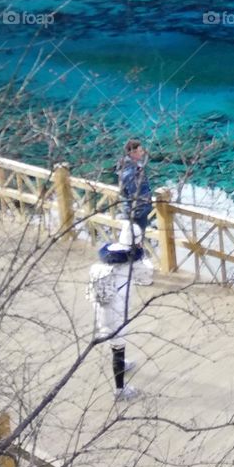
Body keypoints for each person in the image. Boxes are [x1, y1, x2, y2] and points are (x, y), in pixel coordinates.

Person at [86, 221, 153, 401]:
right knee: (118, 345)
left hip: (101, 305)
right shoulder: (133, 261)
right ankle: (119, 389)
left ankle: (121, 364)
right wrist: (143, 255)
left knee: (113, 341)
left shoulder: (108, 256)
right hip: (116, 309)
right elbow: (147, 277)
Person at [117, 139, 153, 239]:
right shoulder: (131, 171)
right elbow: (135, 192)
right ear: (133, 153)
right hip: (137, 212)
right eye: (140, 151)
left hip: (135, 210)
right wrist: (144, 205)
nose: (142, 153)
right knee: (136, 239)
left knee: (135, 238)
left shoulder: (128, 166)